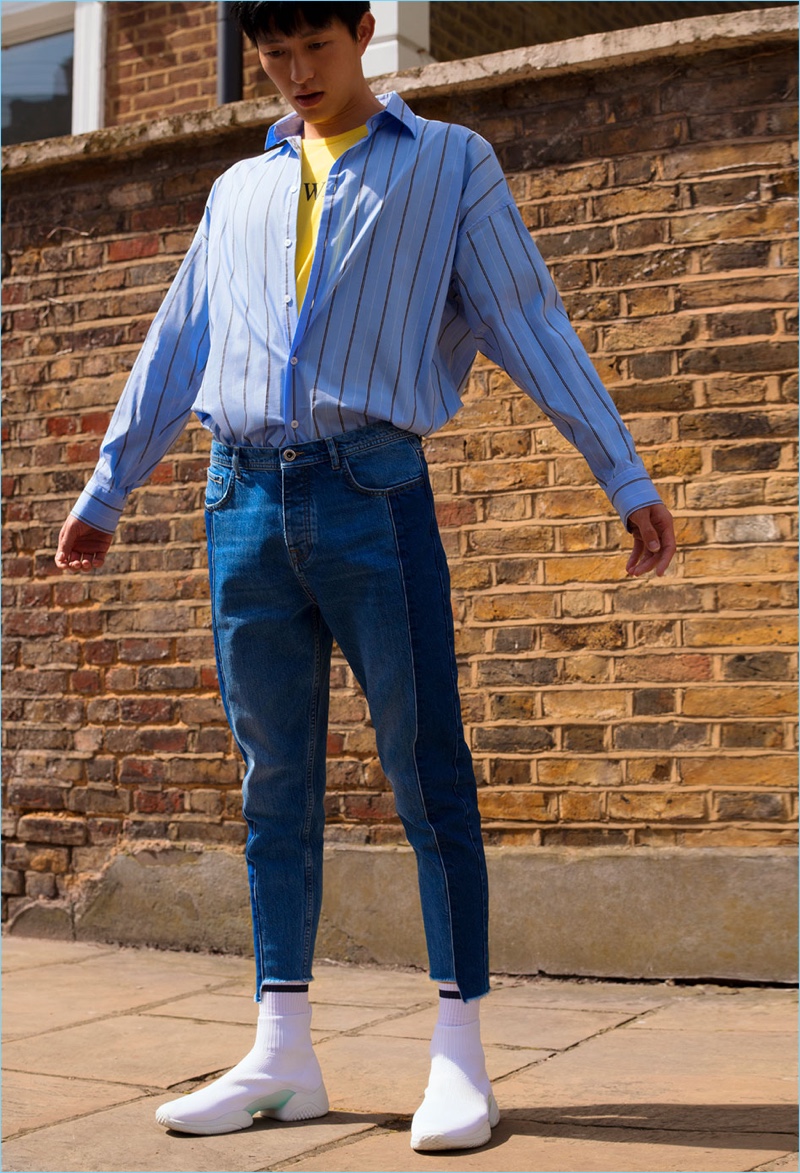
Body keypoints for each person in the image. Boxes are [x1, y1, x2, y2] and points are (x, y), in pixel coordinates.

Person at [55, 0, 676, 1151]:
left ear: (363, 31)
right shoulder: (237, 189)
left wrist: (622, 473)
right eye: (273, 54)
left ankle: (458, 1055)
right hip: (236, 502)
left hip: (372, 496)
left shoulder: (447, 164)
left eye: (314, 47)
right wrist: (106, 488)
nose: (294, 72)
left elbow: (526, 319)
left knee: (423, 769)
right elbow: (176, 337)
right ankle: (280, 1053)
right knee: (270, 783)